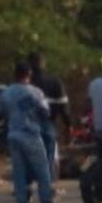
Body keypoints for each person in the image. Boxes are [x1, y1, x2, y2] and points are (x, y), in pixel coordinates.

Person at [0, 61, 54, 203]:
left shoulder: (6, 93)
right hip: (31, 134)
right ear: (29, 75)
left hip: (13, 134)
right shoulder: (35, 92)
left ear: (15, 74)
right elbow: (46, 112)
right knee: (42, 169)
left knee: (18, 171)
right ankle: (46, 201)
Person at [29, 52, 69, 181]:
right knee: (50, 157)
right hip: (47, 124)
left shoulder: (24, 85)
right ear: (44, 65)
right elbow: (64, 107)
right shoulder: (54, 82)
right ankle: (50, 184)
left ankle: (26, 185)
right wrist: (68, 125)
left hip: (27, 126)